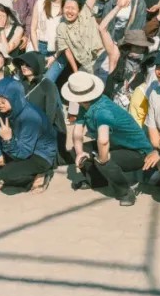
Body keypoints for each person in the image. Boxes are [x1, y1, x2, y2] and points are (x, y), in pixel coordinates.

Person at [64, 72, 151, 205]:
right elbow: (77, 132)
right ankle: (97, 181)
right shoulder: (85, 106)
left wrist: (102, 159)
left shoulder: (102, 110)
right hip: (115, 144)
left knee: (103, 159)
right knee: (78, 150)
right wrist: (80, 152)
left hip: (138, 152)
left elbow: (103, 141)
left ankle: (125, 192)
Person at [0, 76, 57, 192]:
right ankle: (11, 171)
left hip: (39, 153)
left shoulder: (30, 117)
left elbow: (24, 153)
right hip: (16, 145)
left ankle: (42, 173)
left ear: (14, 98)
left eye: (3, 100)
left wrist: (7, 140)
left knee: (9, 177)